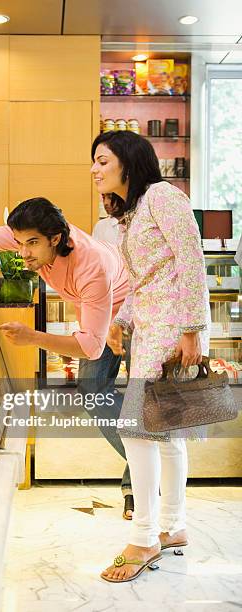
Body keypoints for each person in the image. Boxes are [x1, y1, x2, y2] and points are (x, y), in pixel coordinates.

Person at [0, 198, 135, 517]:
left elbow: (90, 347)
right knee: (92, 391)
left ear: (55, 238)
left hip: (133, 308)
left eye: (31, 244)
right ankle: (143, 465)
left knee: (134, 394)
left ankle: (141, 477)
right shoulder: (35, 237)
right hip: (100, 311)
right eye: (19, 243)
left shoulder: (91, 265)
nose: (23, 252)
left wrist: (32, 338)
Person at [90, 130, 210, 583]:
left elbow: (190, 260)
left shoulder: (163, 195)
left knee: (136, 430)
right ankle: (173, 525)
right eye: (94, 161)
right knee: (165, 434)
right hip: (153, 329)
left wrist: (193, 329)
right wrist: (122, 319)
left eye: (103, 160)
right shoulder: (134, 211)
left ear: (129, 161)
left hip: (172, 330)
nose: (95, 169)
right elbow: (149, 277)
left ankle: (144, 537)